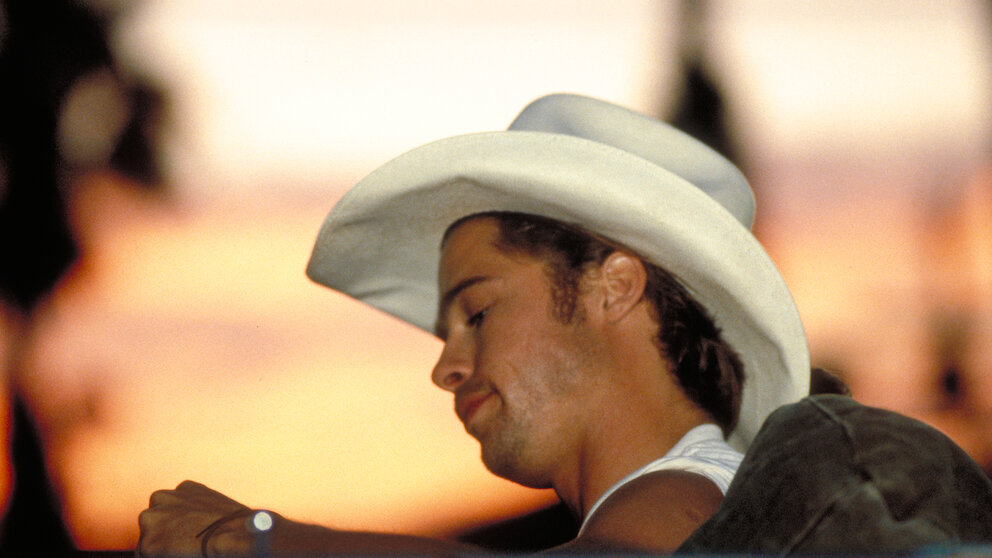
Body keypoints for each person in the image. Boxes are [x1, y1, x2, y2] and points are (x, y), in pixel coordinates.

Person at [137, 93, 812, 556]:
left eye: (478, 312)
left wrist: (260, 541)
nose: (445, 368)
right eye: (446, 332)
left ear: (613, 289)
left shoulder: (692, 503)